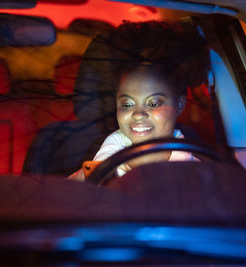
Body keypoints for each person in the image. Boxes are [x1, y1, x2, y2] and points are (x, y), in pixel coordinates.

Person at [70, 20, 211, 181]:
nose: (138, 114)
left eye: (153, 103)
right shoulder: (88, 177)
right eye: (127, 104)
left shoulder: (201, 176)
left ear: (179, 105)